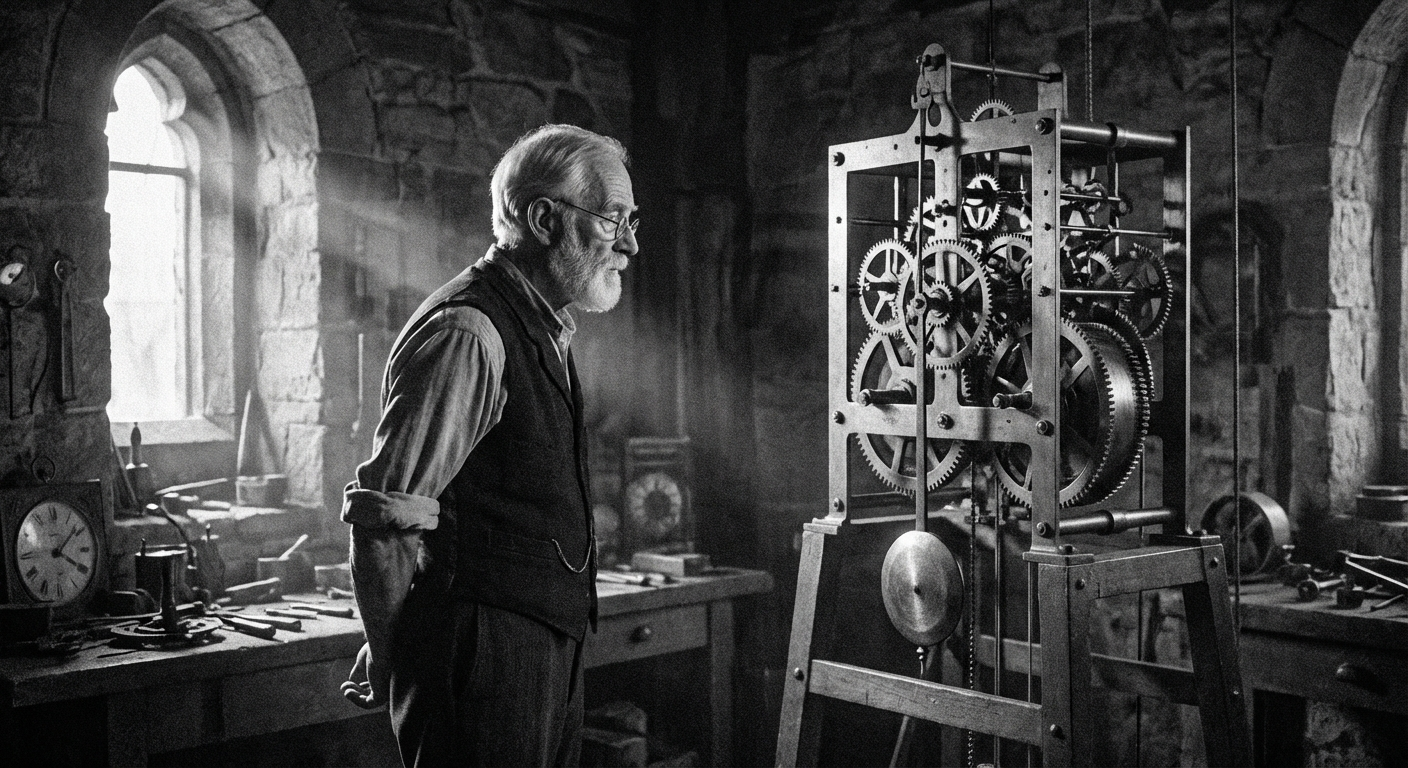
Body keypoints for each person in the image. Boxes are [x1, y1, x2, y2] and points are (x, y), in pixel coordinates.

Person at [338, 123, 638, 767]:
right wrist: (389, 649)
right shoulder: (471, 333)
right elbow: (387, 518)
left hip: (539, 644)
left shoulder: (543, 326)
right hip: (484, 655)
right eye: (614, 221)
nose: (630, 244)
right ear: (544, 219)